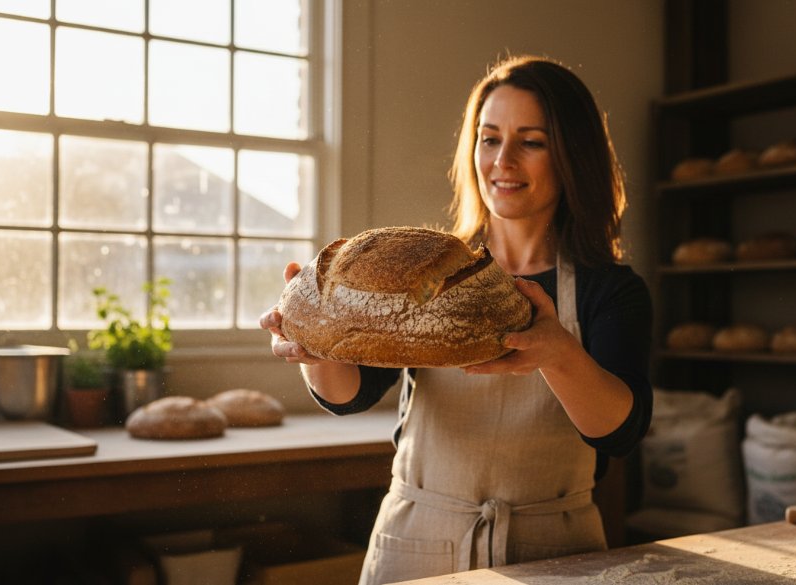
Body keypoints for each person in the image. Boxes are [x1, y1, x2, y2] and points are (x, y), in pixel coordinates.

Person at [260, 55, 653, 585]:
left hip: (555, 551)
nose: (503, 160)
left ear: (571, 156)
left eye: (531, 141)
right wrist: (313, 349)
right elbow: (351, 393)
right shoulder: (429, 269)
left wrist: (559, 354)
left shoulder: (609, 290)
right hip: (419, 542)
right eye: (489, 139)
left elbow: (619, 432)